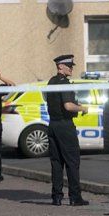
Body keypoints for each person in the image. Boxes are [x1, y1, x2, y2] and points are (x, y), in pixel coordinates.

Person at [46, 54, 89, 206]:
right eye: (69, 66)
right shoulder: (64, 83)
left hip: (53, 125)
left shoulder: (51, 82)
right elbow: (68, 106)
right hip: (65, 126)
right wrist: (82, 108)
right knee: (72, 162)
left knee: (57, 163)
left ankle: (56, 197)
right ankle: (75, 197)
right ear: (61, 67)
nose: (71, 68)